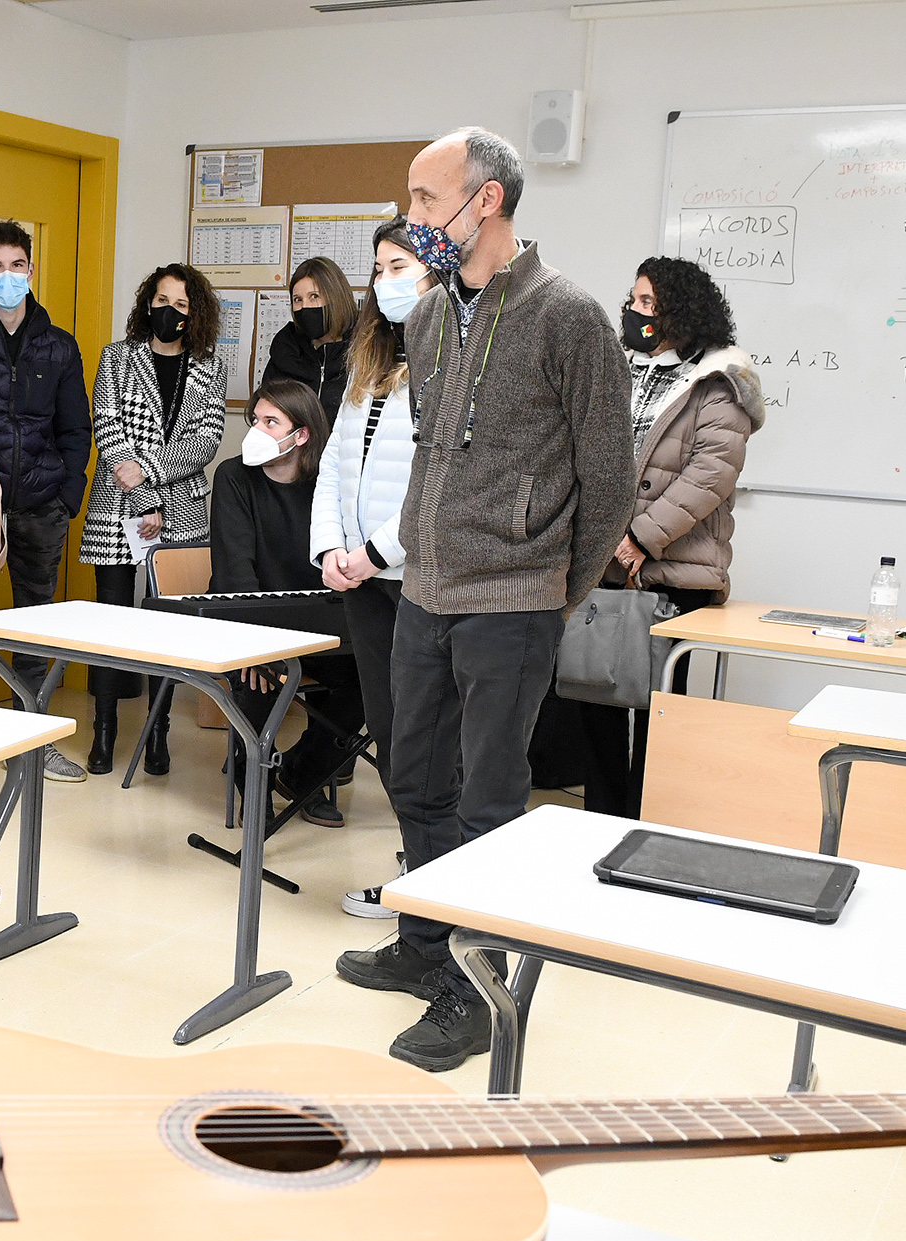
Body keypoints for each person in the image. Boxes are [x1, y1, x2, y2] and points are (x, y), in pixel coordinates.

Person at [334, 128, 634, 1072]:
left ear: (487, 200)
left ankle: (476, 989)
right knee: (414, 776)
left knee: (488, 800)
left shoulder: (569, 316)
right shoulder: (426, 318)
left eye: (426, 200)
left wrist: (553, 593)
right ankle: (426, 943)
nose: (413, 217)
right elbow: (435, 452)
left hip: (514, 600)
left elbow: (610, 481)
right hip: (426, 589)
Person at [580, 258, 763, 819]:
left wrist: (640, 537)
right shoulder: (619, 366)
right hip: (604, 563)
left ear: (680, 312)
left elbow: (711, 473)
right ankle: (602, 819)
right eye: (633, 300)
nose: (634, 312)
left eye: (648, 303)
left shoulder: (718, 381)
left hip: (673, 570)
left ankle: (650, 819)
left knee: (658, 705)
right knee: (593, 692)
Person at [308, 221, 438, 914]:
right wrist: (331, 549)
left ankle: (431, 882)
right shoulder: (371, 361)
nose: (386, 281)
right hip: (362, 578)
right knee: (390, 732)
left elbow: (433, 487)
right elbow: (335, 464)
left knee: (424, 740)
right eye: (380, 268)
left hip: (414, 578)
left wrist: (371, 554)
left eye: (400, 266)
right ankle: (417, 869)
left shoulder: (451, 364)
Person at [0, 221, 93, 783]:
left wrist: (66, 497)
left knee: (35, 628)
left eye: (17, 265)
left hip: (40, 505)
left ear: (32, 270)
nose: (8, 276)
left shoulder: (59, 345)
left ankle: (30, 744)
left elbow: (76, 428)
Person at [78, 262, 228, 775]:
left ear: (195, 313)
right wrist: (144, 500)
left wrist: (151, 478)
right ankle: (103, 732)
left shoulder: (209, 367)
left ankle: (157, 733)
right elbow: (108, 429)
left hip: (181, 511)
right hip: (117, 507)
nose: (170, 311)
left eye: (181, 304)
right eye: (162, 301)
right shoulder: (117, 357)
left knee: (166, 629)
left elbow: (206, 440)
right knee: (111, 625)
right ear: (148, 304)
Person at [211, 379, 362, 829]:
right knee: (257, 681)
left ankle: (302, 775)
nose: (256, 430)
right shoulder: (234, 477)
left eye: (270, 422)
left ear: (301, 435)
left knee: (368, 680)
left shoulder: (327, 485)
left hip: (315, 626)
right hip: (250, 625)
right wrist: (256, 645)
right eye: (255, 420)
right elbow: (235, 575)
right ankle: (253, 782)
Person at [261, 255, 356, 426]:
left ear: (336, 298)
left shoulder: (364, 350)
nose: (305, 306)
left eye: (314, 296)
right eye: (297, 300)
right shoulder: (285, 351)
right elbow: (266, 413)